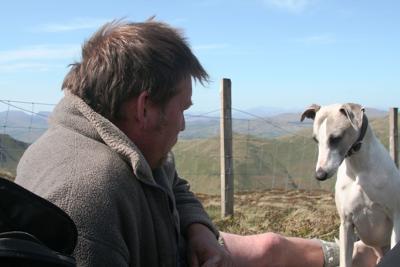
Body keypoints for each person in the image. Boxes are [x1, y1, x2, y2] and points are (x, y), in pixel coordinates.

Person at [14, 19, 375, 267]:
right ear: (144, 108)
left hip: (177, 246)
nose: (184, 124)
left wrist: (198, 230)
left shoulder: (120, 140)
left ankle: (356, 258)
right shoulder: (88, 201)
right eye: (183, 108)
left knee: (270, 245)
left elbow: (173, 183)